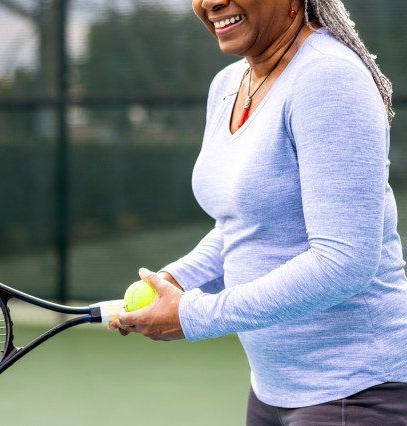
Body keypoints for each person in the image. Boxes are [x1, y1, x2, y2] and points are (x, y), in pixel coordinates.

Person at [109, 0, 407, 424]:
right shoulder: (229, 83)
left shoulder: (328, 78)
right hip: (272, 389)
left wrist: (193, 315)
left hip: (358, 392)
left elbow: (344, 262)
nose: (210, 2)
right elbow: (245, 224)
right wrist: (176, 280)